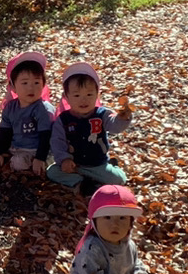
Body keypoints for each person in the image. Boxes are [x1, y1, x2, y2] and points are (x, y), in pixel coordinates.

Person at [47, 63, 133, 194]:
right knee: (52, 172)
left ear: (97, 95)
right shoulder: (63, 120)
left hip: (97, 163)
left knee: (119, 179)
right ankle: (80, 182)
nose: (83, 100)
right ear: (67, 97)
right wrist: (64, 159)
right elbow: (57, 141)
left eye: (89, 94)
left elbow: (114, 126)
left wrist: (123, 118)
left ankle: (111, 168)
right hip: (75, 165)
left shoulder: (102, 114)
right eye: (76, 96)